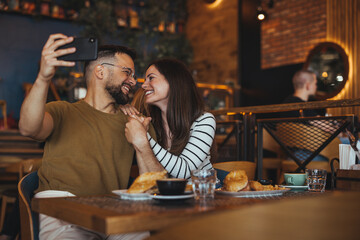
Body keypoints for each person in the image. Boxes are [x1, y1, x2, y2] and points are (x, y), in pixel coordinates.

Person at [17, 33, 151, 240]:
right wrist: (44, 77)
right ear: (100, 71)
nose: (133, 81)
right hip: (63, 208)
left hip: (114, 211)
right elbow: (28, 128)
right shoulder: (62, 111)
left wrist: (142, 138)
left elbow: (156, 180)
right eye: (127, 72)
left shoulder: (134, 121)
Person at [122, 58, 216, 179]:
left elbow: (185, 170)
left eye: (151, 78)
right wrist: (122, 109)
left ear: (173, 81)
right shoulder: (151, 122)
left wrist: (143, 137)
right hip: (170, 195)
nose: (144, 85)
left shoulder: (204, 120)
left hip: (203, 194)